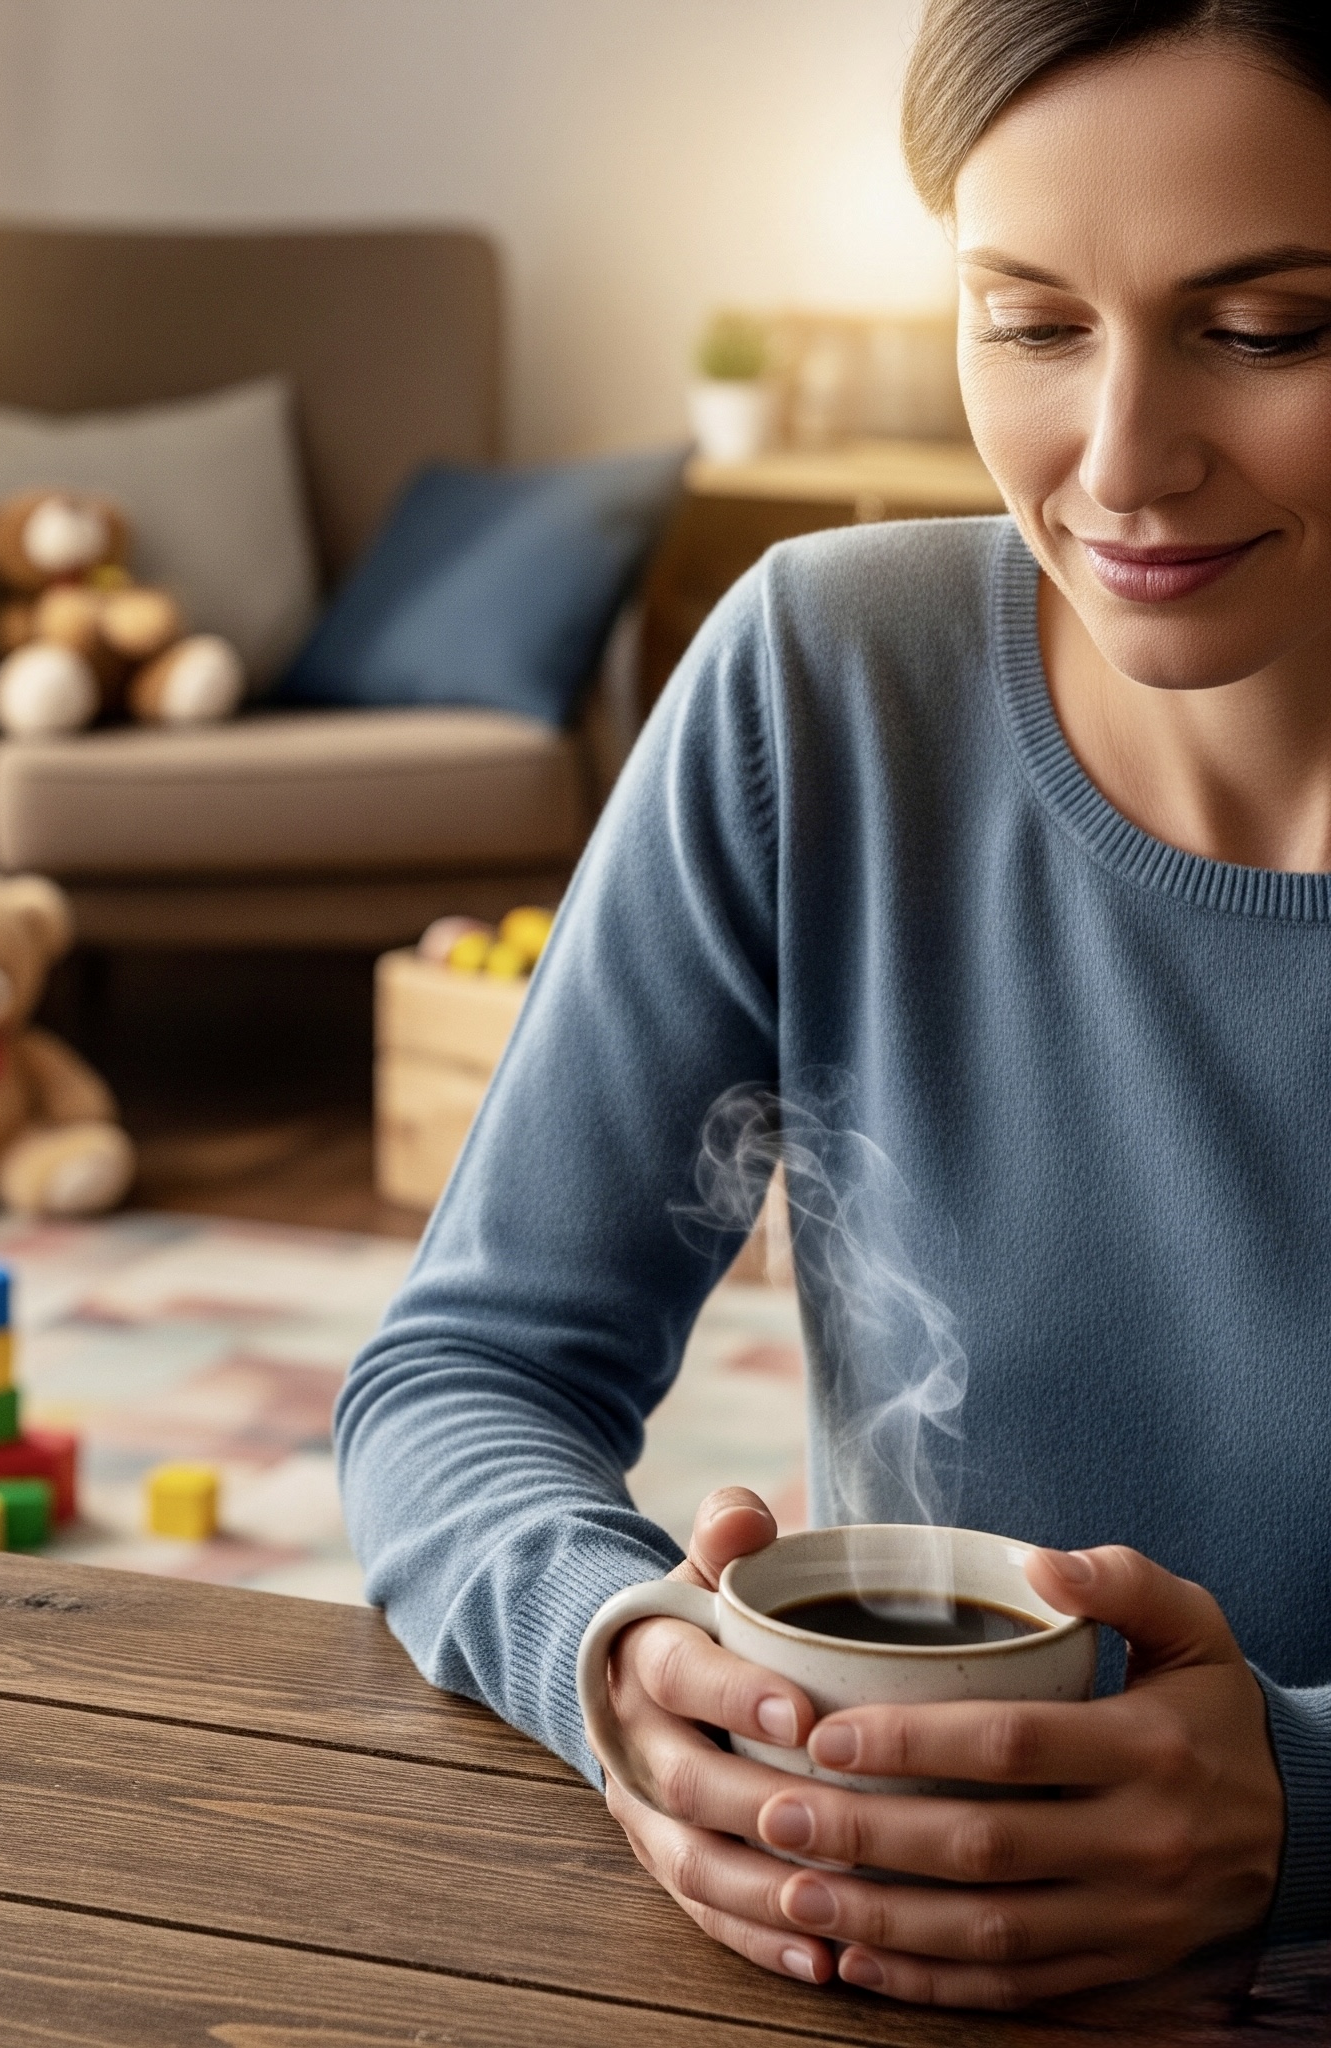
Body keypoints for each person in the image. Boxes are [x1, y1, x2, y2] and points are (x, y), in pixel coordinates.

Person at [334, 0, 1331, 2010]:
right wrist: (617, 1660)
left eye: (1269, 326)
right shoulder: (822, 685)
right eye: (1027, 319)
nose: (1119, 462)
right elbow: (459, 1382)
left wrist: (1299, 1804)